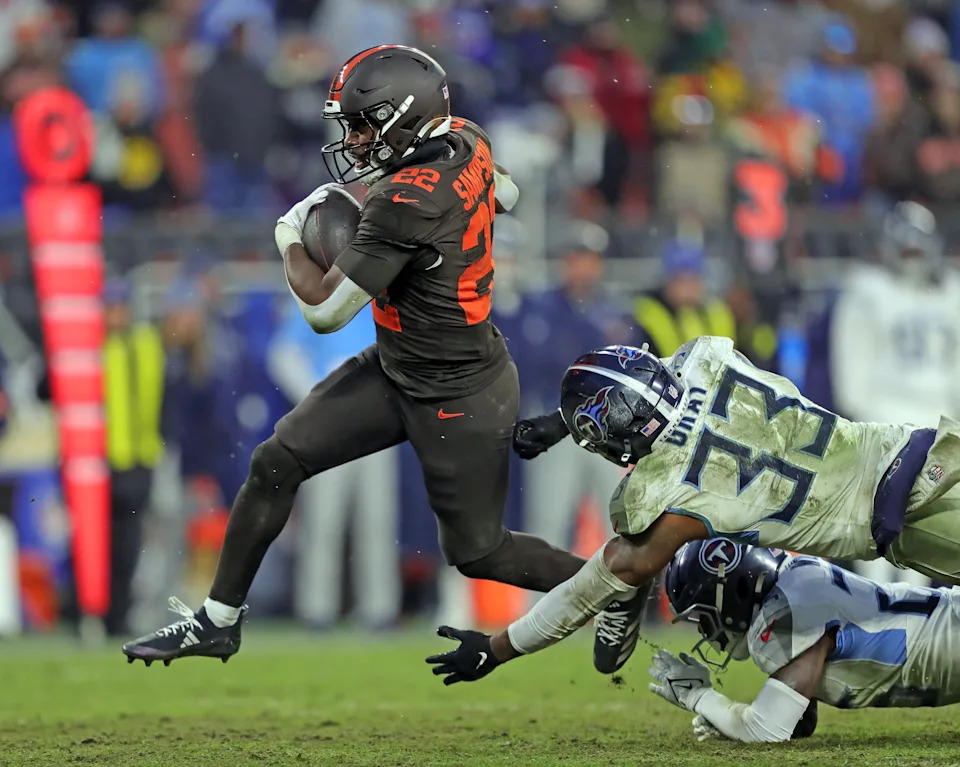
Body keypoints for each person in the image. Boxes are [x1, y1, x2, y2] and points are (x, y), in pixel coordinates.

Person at [123, 44, 597, 666]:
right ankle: (217, 620)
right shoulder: (466, 139)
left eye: (363, 124)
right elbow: (504, 193)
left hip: (462, 390)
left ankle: (612, 586)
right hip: (398, 363)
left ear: (402, 116)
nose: (353, 139)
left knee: (481, 553)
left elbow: (324, 312)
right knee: (275, 462)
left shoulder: (406, 200)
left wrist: (289, 236)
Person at [424, 338, 960, 685]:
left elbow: (588, 586)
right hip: (920, 450)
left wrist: (496, 648)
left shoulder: (671, 495)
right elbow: (648, 379)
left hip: (905, 519)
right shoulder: (709, 357)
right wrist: (562, 422)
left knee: (625, 572)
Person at [646, 538, 960, 742]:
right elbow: (798, 723)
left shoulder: (788, 611)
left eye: (704, 618)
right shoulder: (793, 586)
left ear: (730, 596)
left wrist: (699, 697)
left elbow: (770, 730)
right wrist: (730, 723)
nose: (705, 632)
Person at [830, 201, 960, 587]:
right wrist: (860, 415)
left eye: (917, 248)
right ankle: (876, 600)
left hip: (936, 415)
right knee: (876, 518)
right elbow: (851, 361)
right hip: (885, 413)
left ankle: (909, 611)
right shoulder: (868, 289)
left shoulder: (951, 291)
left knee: (925, 520)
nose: (912, 257)